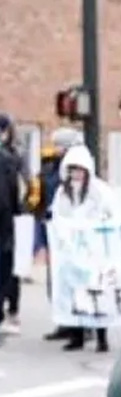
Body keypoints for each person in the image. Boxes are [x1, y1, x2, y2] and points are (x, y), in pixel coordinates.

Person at [50, 143, 115, 352]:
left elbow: (111, 214)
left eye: (80, 169)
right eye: (72, 170)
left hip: (95, 251)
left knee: (97, 293)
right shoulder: (63, 193)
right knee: (74, 293)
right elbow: (58, 216)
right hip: (72, 251)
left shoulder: (100, 191)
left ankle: (101, 337)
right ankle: (76, 336)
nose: (76, 174)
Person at [32, 127, 85, 341]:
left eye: (60, 145)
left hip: (72, 233)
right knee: (56, 278)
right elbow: (43, 199)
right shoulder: (50, 168)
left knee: (74, 278)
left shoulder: (77, 168)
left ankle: (80, 325)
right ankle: (63, 320)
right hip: (53, 229)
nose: (56, 149)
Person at [0, 113, 29, 335]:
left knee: (9, 267)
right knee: (9, 267)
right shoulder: (14, 157)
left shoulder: (12, 157)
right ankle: (10, 310)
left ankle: (10, 309)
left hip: (9, 219)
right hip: (11, 218)